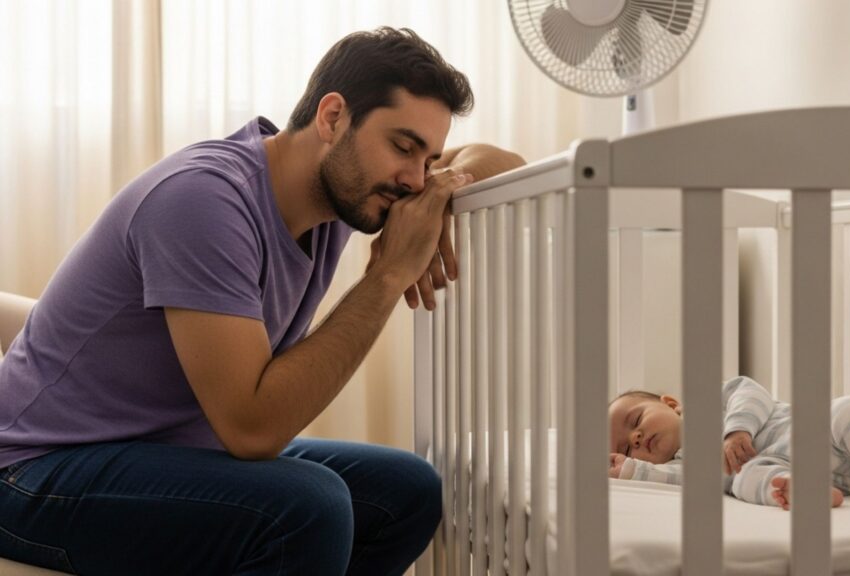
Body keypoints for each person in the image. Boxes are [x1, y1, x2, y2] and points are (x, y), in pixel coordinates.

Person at [0, 27, 524, 575]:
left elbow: (504, 163)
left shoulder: (343, 191)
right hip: (34, 470)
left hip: (170, 451)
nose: (415, 179)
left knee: (408, 490)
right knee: (306, 506)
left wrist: (442, 191)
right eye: (403, 147)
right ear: (333, 117)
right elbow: (252, 430)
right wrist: (389, 274)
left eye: (429, 157)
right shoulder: (203, 199)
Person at [607, 376, 850, 510]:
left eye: (636, 421)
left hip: (822, 432)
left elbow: (751, 391)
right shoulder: (683, 465)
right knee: (741, 480)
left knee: (847, 409)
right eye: (627, 447)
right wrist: (630, 469)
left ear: (670, 403)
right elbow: (675, 479)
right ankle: (800, 491)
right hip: (808, 472)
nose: (636, 437)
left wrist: (738, 430)